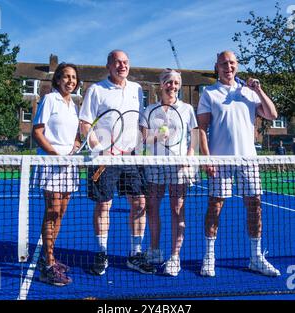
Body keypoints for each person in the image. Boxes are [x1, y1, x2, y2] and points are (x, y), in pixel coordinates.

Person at [197, 50, 281, 277]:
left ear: (237, 65)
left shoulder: (249, 92)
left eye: (232, 63)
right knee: (215, 207)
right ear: (217, 66)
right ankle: (209, 257)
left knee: (255, 206)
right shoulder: (209, 93)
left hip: (248, 160)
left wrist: (258, 89)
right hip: (221, 161)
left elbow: (272, 115)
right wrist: (206, 158)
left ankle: (255, 257)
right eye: (224, 63)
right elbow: (201, 130)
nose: (228, 66)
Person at [79, 50, 156, 275]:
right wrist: (99, 149)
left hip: (131, 158)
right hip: (104, 159)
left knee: (140, 204)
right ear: (108, 66)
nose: (122, 66)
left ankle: (135, 254)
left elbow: (140, 122)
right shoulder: (96, 89)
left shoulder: (137, 90)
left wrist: (145, 145)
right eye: (117, 62)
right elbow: (85, 123)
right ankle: (102, 252)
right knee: (104, 205)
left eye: (125, 62)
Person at [140, 69, 198, 276]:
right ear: (161, 84)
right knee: (152, 207)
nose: (172, 86)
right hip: (155, 164)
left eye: (175, 83)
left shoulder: (187, 109)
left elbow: (195, 136)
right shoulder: (150, 109)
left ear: (179, 85)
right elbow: (143, 141)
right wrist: (157, 135)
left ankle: (175, 257)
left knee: (177, 209)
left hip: (179, 165)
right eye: (168, 82)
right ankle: (155, 251)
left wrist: (189, 158)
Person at [32, 62, 81, 286]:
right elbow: (37, 131)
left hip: (69, 165)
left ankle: (48, 256)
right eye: (66, 77)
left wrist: (76, 145)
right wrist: (54, 154)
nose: (70, 81)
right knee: (52, 210)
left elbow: (75, 136)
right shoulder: (50, 99)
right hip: (51, 163)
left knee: (61, 212)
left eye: (73, 77)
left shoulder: (73, 106)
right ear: (58, 80)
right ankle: (49, 263)